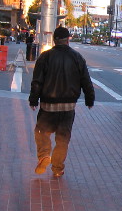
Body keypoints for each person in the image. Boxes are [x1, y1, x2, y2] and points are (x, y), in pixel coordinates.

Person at [29, 27, 95, 177]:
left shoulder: (45, 57)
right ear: (68, 39)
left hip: (47, 106)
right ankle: (58, 169)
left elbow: (37, 82)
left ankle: (44, 154)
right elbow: (86, 81)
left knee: (41, 132)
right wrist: (90, 99)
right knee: (63, 138)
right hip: (68, 107)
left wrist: (34, 99)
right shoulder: (77, 57)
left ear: (54, 40)